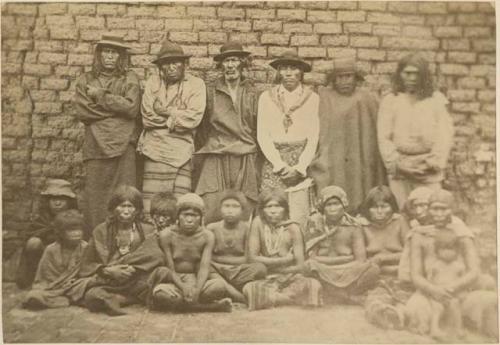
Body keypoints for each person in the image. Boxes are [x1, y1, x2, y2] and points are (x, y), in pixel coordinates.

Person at [404, 189, 498, 339]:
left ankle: (464, 322)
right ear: (429, 209)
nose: (439, 214)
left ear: (451, 210)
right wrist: (434, 290)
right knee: (414, 311)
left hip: (460, 293)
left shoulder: (462, 234)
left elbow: (474, 271)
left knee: (490, 300)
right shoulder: (419, 235)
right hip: (430, 294)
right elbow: (416, 275)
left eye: (444, 209)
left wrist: (451, 288)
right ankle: (441, 326)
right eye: (435, 208)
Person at [73, 34, 141, 233]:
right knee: (95, 198)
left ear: (121, 57)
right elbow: (83, 112)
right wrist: (116, 109)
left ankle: (125, 240)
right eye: (106, 52)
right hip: (95, 144)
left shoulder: (130, 78)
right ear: (99, 55)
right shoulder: (86, 80)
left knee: (126, 195)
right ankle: (97, 241)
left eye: (115, 53)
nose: (110, 57)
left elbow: (132, 109)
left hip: (124, 144)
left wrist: (101, 96)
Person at [138, 40, 206, 217]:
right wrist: (176, 117)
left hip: (182, 152)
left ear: (185, 64)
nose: (171, 67)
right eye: (166, 63)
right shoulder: (153, 83)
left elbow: (194, 118)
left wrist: (165, 111)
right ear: (160, 67)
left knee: (180, 207)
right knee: (152, 207)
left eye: (176, 62)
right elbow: (147, 118)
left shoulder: (196, 84)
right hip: (155, 151)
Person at [309, 57, 386, 214]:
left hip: (360, 157)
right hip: (334, 156)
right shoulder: (325, 97)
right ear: (334, 79)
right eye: (340, 77)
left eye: (348, 76)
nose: (344, 81)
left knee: (360, 187)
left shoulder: (367, 98)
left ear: (355, 78)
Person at [195, 41, 260, 224]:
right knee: (212, 202)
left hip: (245, 153)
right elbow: (203, 127)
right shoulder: (211, 91)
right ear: (221, 65)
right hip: (217, 152)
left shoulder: (252, 92)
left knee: (244, 204)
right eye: (226, 61)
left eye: (234, 60)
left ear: (242, 63)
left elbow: (257, 126)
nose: (230, 66)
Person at [377, 53, 454, 208]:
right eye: (407, 73)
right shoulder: (391, 101)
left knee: (430, 211)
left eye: (416, 73)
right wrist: (398, 165)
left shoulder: (435, 100)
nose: (412, 78)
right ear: (400, 74)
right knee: (403, 211)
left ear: (424, 75)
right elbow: (383, 137)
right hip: (401, 168)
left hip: (427, 169)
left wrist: (431, 163)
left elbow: (444, 135)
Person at [72, 185, 163, 316]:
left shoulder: (147, 230)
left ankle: (119, 300)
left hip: (136, 279)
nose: (126, 211)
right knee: (91, 295)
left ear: (137, 210)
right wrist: (108, 270)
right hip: (110, 282)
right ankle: (128, 299)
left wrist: (133, 267)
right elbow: (87, 264)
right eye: (121, 206)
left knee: (160, 275)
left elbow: (156, 256)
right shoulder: (101, 230)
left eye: (130, 206)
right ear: (113, 208)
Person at [257, 50, 319, 228]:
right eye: (284, 68)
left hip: (300, 160)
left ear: (301, 72)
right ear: (279, 72)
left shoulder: (312, 99)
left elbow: (313, 136)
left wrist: (299, 168)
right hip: (274, 161)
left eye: (294, 68)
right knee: (272, 207)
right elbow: (263, 135)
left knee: (299, 210)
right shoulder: (266, 98)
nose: (289, 73)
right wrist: (279, 165)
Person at [149, 193, 238, 312]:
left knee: (219, 286)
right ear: (178, 216)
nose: (189, 220)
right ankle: (209, 307)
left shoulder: (207, 236)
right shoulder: (166, 235)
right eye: (185, 215)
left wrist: (196, 290)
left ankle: (187, 305)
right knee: (160, 294)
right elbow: (170, 269)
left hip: (197, 279)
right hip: (174, 281)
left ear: (201, 218)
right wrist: (183, 287)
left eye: (194, 215)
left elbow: (204, 268)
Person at [244, 189, 322, 310]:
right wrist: (284, 260)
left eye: (278, 206)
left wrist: (284, 273)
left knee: (313, 285)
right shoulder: (258, 223)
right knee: (249, 288)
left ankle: (276, 299)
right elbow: (252, 258)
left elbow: (300, 265)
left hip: (290, 276)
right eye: (269, 207)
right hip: (267, 277)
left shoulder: (293, 228)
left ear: (285, 209)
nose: (273, 211)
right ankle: (290, 299)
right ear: (262, 210)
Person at [303, 186, 379, 304]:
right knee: (307, 267)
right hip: (323, 269)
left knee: (373, 269)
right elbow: (312, 258)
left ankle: (336, 294)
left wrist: (340, 262)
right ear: (322, 208)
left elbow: (360, 259)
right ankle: (347, 296)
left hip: (348, 270)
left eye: (336, 204)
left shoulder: (353, 225)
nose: (333, 208)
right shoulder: (315, 224)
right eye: (329, 205)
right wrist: (346, 258)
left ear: (344, 205)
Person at [357, 186, 412, 330]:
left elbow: (410, 253)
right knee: (374, 301)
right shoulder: (362, 226)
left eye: (384, 206)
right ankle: (387, 315)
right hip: (377, 279)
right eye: (375, 207)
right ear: (367, 209)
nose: (380, 212)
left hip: (400, 276)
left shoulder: (399, 221)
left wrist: (382, 258)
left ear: (392, 207)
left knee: (408, 301)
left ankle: (402, 314)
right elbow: (362, 261)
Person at [16, 179, 78, 289]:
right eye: (53, 199)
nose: (57, 203)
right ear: (48, 201)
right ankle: (35, 280)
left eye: (61, 199)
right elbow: (30, 237)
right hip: (45, 259)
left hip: (68, 259)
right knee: (33, 243)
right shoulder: (42, 219)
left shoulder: (76, 218)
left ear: (69, 201)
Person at [23, 210, 88, 309]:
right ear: (61, 233)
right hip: (53, 286)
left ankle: (69, 297)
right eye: (71, 230)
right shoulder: (51, 249)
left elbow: (89, 270)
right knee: (34, 295)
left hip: (75, 286)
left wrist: (74, 281)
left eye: (79, 230)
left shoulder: (86, 248)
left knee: (88, 287)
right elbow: (43, 274)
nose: (76, 234)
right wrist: (58, 284)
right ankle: (67, 299)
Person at [207, 190, 267, 294]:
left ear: (242, 210)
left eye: (235, 206)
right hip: (217, 271)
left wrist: (217, 259)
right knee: (203, 266)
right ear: (220, 209)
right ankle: (237, 293)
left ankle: (227, 288)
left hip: (240, 270)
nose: (230, 211)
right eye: (226, 206)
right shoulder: (212, 228)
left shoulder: (247, 228)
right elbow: (207, 257)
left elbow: (248, 258)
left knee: (260, 268)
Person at [419, 232, 465, 341]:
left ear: (457, 251)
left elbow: (463, 282)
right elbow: (429, 282)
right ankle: (434, 329)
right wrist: (432, 292)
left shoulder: (459, 266)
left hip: (453, 294)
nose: (447, 253)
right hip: (438, 295)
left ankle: (459, 328)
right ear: (437, 251)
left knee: (455, 305)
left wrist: (462, 292)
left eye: (451, 249)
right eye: (443, 249)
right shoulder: (435, 265)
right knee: (437, 308)